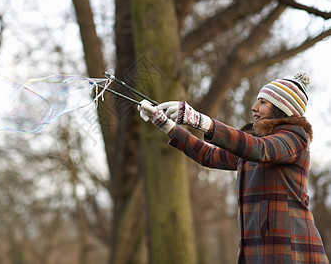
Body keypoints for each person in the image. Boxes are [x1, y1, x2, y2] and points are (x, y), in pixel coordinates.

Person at [138, 72, 329, 263]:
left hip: (292, 249)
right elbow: (209, 155)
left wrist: (201, 121)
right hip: (257, 248)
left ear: (281, 109)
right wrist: (167, 125)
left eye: (263, 102)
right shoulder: (255, 144)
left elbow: (260, 150)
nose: (254, 107)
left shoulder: (295, 137)